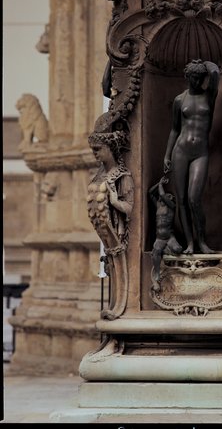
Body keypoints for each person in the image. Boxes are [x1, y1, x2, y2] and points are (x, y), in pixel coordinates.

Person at [163, 59, 220, 255]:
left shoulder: (209, 96)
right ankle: (189, 243)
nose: (196, 81)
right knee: (181, 199)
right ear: (187, 77)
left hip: (200, 152)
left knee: (194, 197)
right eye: (193, 77)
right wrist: (167, 155)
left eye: (199, 78)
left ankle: (202, 241)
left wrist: (205, 64)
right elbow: (174, 129)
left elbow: (216, 73)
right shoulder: (180, 100)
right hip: (181, 150)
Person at [87, 121, 134, 319]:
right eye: (93, 150)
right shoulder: (99, 175)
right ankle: (117, 304)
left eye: (98, 149)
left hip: (119, 234)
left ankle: (121, 303)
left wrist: (115, 201)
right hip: (108, 238)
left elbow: (129, 208)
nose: (95, 154)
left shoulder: (122, 176)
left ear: (110, 149)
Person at [149, 175, 182, 287]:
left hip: (169, 236)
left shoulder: (172, 206)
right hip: (160, 238)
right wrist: (158, 183)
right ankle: (157, 273)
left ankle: (168, 249)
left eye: (169, 196)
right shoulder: (158, 206)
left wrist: (161, 185)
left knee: (178, 249)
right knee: (156, 252)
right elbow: (150, 193)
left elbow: (162, 194)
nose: (165, 197)